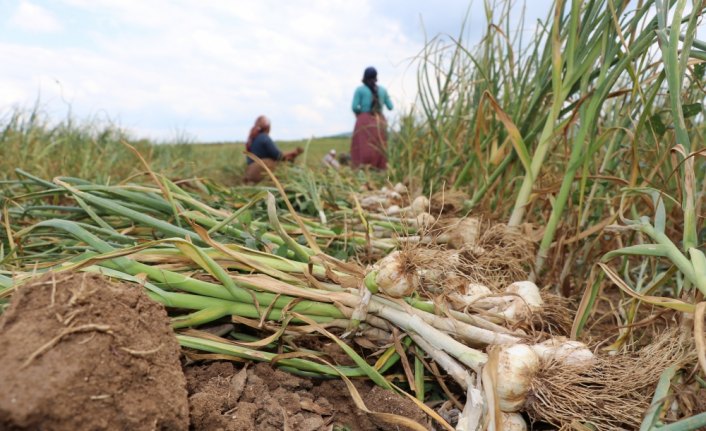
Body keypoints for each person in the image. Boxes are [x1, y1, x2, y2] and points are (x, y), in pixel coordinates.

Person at [350, 66, 393, 169]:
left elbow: (354, 107)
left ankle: (363, 169)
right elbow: (390, 107)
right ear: (376, 77)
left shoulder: (360, 90)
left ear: (364, 77)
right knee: (380, 146)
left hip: (364, 120)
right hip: (380, 121)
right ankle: (380, 169)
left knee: (362, 145)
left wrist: (361, 112)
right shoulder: (383, 90)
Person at [243, 115, 302, 183]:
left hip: (250, 171)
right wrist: (292, 153)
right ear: (268, 127)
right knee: (277, 165)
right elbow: (278, 155)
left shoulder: (253, 138)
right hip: (259, 171)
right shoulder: (264, 138)